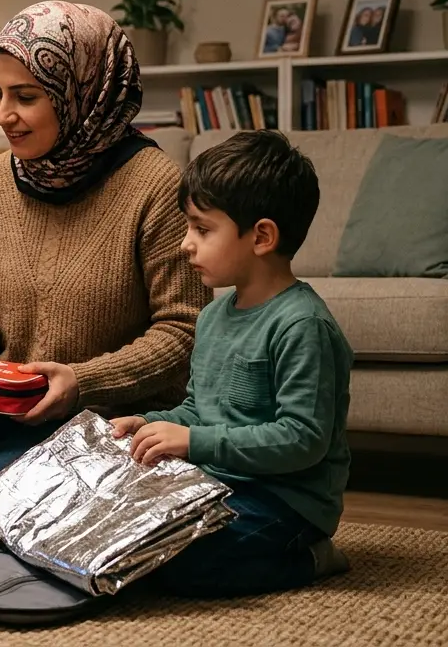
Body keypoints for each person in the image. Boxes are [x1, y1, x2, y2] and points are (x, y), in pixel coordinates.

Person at [0, 1, 210, 487]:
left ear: (80, 91)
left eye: (24, 96)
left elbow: (184, 332)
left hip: (105, 413)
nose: (2, 115)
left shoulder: (155, 184)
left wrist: (83, 381)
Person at [111, 129, 352, 598]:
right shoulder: (214, 315)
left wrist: (195, 442)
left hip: (286, 501)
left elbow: (302, 440)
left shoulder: (303, 325)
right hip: (222, 481)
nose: (185, 244)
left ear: (261, 236)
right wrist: (150, 424)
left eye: (202, 229)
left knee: (182, 565)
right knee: (130, 541)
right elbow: (198, 410)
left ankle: (311, 557)